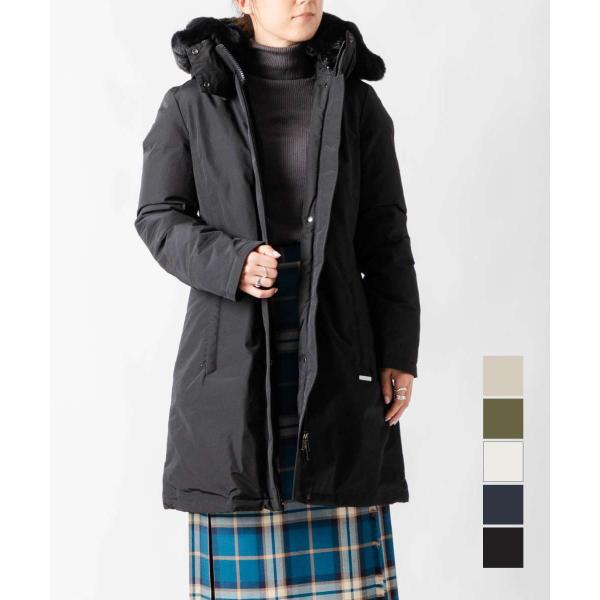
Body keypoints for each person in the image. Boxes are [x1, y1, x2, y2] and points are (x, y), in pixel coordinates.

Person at [135, 1, 421, 597]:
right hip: (234, 363)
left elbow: (385, 236)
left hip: (338, 351)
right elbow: (158, 216)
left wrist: (398, 349)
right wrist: (231, 261)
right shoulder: (190, 104)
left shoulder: (358, 103)